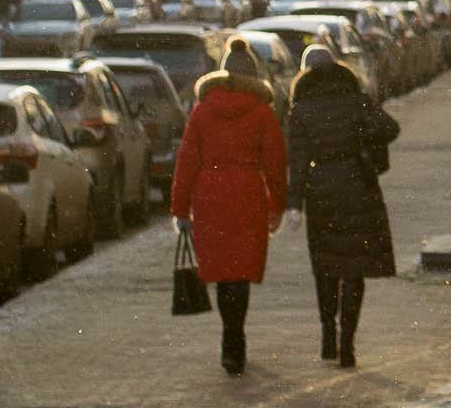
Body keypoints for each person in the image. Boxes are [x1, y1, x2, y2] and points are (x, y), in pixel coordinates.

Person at [171, 39, 287, 376]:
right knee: (241, 270)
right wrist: (277, 204)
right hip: (248, 194)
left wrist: (180, 208)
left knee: (222, 269)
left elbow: (187, 160)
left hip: (211, 196)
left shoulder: (203, 109)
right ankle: (236, 338)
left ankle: (229, 340)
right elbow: (276, 162)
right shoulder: (262, 111)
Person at [285, 43, 399, 368]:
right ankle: (348, 343)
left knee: (326, 266)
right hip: (358, 186)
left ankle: (327, 332)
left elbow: (296, 161)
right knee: (354, 269)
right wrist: (362, 138)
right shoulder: (356, 100)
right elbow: (390, 127)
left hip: (321, 192)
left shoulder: (301, 109)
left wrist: (294, 205)